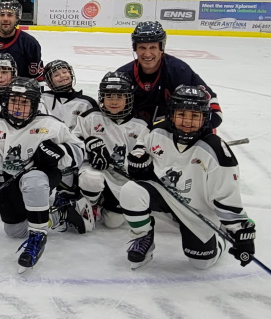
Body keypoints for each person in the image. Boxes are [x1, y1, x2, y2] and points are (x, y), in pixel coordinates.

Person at [119, 85, 254, 270]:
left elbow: (226, 195)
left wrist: (240, 231)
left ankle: (220, 238)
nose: (187, 121)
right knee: (131, 190)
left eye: (195, 116)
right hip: (165, 196)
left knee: (201, 262)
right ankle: (143, 237)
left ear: (205, 118)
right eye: (182, 114)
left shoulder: (217, 151)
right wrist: (138, 163)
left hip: (196, 210)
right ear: (172, 114)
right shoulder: (157, 131)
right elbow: (139, 150)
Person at [0, 78, 84, 271]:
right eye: (13, 101)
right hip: (8, 180)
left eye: (24, 102)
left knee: (33, 179)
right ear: (5, 101)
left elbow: (79, 152)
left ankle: (38, 235)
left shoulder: (50, 124)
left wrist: (59, 153)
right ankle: (61, 212)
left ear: (35, 105)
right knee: (15, 231)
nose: (18, 107)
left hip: (42, 178)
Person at [72, 71, 148, 230]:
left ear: (128, 98)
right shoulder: (90, 117)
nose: (113, 102)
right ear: (101, 97)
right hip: (96, 170)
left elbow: (144, 154)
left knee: (113, 223)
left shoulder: (140, 125)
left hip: (122, 178)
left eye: (119, 97)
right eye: (109, 97)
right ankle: (90, 202)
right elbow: (73, 143)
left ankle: (104, 201)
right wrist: (89, 148)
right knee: (91, 179)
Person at [116, 21, 221, 127]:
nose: (147, 54)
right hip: (134, 131)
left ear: (161, 49)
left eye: (153, 47)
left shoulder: (179, 71)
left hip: (171, 132)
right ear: (135, 49)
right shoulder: (123, 75)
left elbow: (214, 110)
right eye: (142, 48)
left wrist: (198, 132)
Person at [39, 60, 97, 130]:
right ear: (49, 81)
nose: (62, 76)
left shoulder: (87, 103)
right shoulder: (42, 98)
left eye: (65, 72)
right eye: (56, 75)